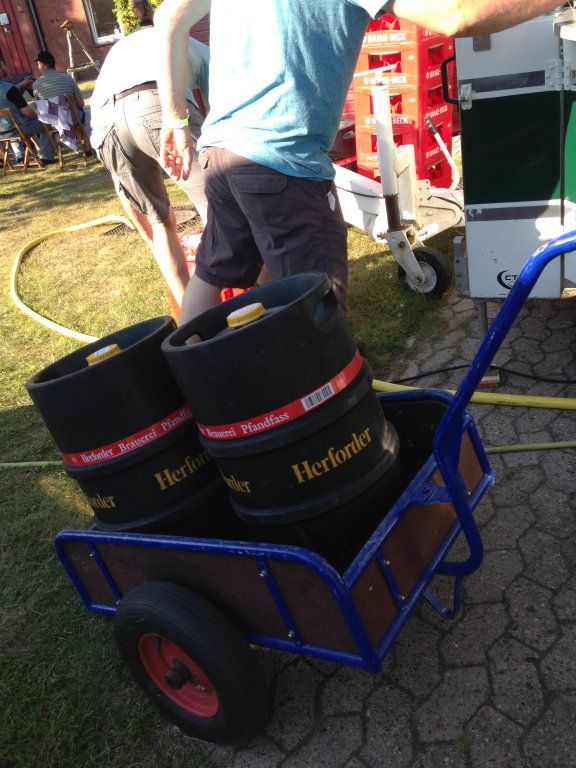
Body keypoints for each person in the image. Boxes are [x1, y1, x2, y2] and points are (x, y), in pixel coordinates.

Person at [154, 0, 565, 325]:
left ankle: (191, 385)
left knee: (213, 272)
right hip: (282, 160)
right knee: (319, 310)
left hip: (221, 152)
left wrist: (175, 118)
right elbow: (455, 14)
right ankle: (331, 399)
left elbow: (168, 16)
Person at [89, 23, 209, 308]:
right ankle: (244, 303)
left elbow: (121, 188)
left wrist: (150, 235)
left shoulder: (119, 49)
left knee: (161, 224)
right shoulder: (195, 46)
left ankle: (191, 321)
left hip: (105, 124)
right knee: (218, 206)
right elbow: (224, 114)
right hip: (155, 103)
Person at [0, 71, 55, 164]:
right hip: (19, 130)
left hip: (2, 134)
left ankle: (20, 157)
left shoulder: (10, 89)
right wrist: (39, 116)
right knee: (47, 123)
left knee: (13, 125)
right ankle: (46, 157)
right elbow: (29, 113)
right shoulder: (10, 89)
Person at [32, 50, 85, 121]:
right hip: (73, 119)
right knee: (80, 111)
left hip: (53, 122)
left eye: (38, 64)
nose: (37, 67)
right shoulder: (68, 78)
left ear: (44, 66)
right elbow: (81, 103)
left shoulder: (36, 84)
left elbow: (40, 108)